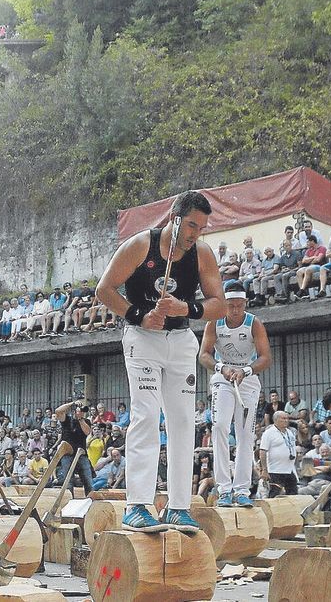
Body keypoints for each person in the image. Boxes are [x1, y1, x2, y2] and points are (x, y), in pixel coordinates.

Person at [95, 190, 226, 532]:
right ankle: (137, 504)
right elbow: (105, 289)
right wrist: (138, 315)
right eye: (192, 225)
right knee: (147, 414)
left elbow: (219, 305)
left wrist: (189, 308)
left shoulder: (202, 254)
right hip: (143, 339)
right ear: (174, 217)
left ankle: (178, 505)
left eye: (202, 227)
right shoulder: (141, 246)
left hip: (181, 340)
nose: (195, 233)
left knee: (183, 421)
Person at [199, 282, 271, 508]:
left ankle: (241, 489)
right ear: (224, 304)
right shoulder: (214, 323)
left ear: (245, 304)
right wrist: (222, 368)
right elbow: (204, 355)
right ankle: (224, 489)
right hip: (223, 377)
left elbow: (265, 357)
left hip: (247, 379)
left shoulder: (254, 323)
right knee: (219, 426)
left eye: (240, 305)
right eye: (231, 305)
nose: (236, 310)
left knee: (245, 435)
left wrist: (246, 370)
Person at [54, 401, 94, 494]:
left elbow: (87, 432)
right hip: (67, 455)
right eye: (80, 411)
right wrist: (72, 403)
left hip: (81, 454)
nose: (82, 412)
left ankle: (91, 501)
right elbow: (58, 411)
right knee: (68, 482)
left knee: (88, 481)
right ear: (74, 412)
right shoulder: (67, 420)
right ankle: (69, 502)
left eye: (83, 411)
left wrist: (80, 419)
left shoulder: (86, 421)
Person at [258, 411, 300, 497]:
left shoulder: (290, 432)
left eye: (287, 418)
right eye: (283, 418)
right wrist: (264, 470)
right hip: (275, 470)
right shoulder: (269, 433)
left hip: (289, 469)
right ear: (275, 420)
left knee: (293, 494)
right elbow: (262, 451)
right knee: (275, 494)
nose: (286, 420)